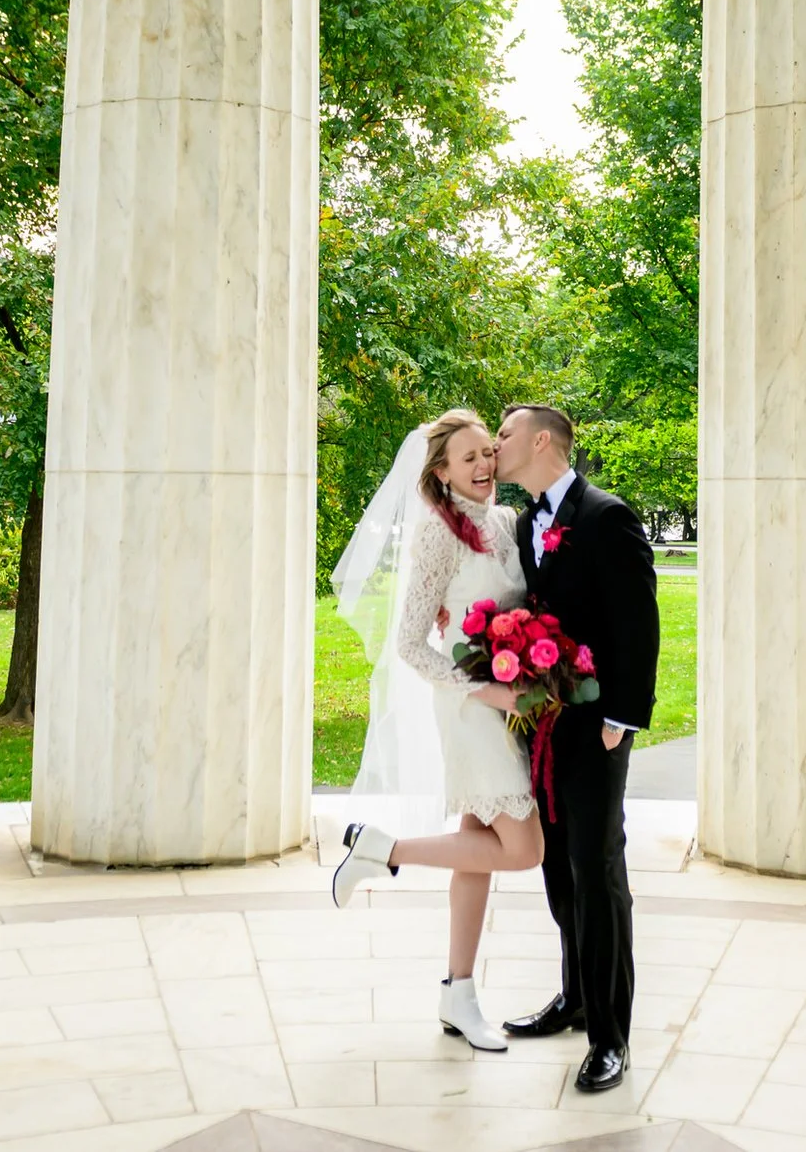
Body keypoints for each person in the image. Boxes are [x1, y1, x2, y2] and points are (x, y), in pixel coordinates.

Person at [327, 410, 544, 1051]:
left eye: (488, 453)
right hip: (473, 711)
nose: (484, 465)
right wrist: (485, 689)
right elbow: (411, 646)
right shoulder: (438, 536)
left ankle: (459, 993)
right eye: (468, 458)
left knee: (477, 850)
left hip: (509, 707)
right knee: (525, 848)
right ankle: (382, 848)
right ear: (442, 473)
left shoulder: (505, 522)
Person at [492, 404, 659, 1094]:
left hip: (596, 727)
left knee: (597, 870)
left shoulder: (605, 515)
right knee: (558, 865)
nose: (495, 447)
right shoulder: (529, 521)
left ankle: (610, 1036)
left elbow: (638, 621)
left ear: (540, 441)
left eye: (502, 436)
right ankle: (575, 995)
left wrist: (621, 716)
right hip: (542, 727)